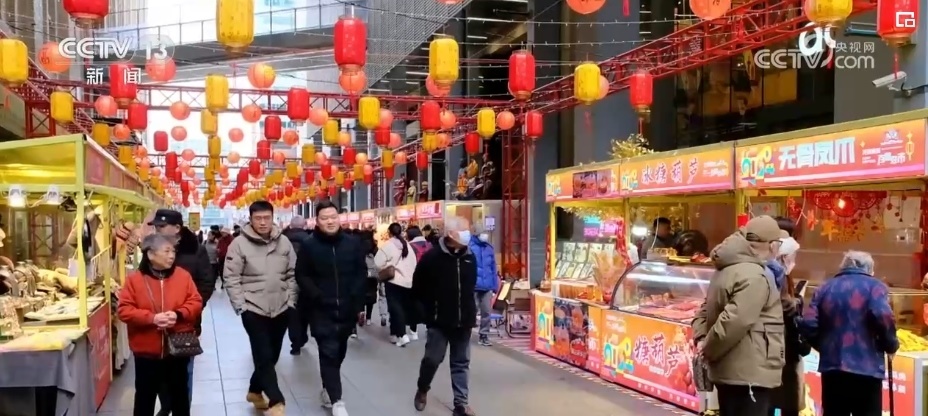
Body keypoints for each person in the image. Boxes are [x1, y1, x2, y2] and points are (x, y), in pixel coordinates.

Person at [691, 215, 785, 416]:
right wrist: (708, 349)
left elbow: (705, 309)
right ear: (772, 245)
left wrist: (701, 338)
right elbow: (735, 321)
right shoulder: (755, 275)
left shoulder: (727, 267)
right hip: (749, 372)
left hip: (732, 370)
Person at [799, 251, 898, 416]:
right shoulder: (875, 287)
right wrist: (890, 345)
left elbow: (809, 323)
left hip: (833, 367)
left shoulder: (825, 288)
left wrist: (824, 346)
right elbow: (883, 316)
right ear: (869, 269)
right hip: (867, 367)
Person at [224, 201, 297, 416]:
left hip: (281, 306)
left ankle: (255, 391)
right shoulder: (238, 244)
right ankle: (276, 400)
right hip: (253, 308)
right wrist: (241, 307)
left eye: (267, 218)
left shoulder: (284, 242)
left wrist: (291, 301)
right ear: (250, 219)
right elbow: (231, 277)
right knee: (263, 353)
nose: (263, 222)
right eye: (258, 218)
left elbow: (293, 273)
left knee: (272, 354)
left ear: (273, 218)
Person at [117, 234, 203, 416]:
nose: (172, 255)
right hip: (146, 352)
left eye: (173, 251)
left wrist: (178, 314)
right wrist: (152, 318)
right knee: (144, 398)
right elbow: (124, 310)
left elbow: (196, 301)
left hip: (177, 349)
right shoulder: (135, 280)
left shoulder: (183, 276)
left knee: (180, 396)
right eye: (166, 251)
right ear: (150, 254)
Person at [296, 200, 367, 416]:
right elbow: (302, 274)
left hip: (346, 308)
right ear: (317, 221)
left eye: (333, 217)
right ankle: (337, 401)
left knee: (339, 352)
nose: (330, 221)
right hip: (320, 310)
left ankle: (328, 386)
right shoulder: (309, 245)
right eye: (325, 218)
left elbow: (361, 272)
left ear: (339, 218)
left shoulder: (352, 244)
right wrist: (316, 295)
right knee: (328, 351)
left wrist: (356, 300)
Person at [148, 209, 214, 415]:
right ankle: (167, 405)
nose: (157, 230)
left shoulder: (195, 250)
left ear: (177, 228)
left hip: (185, 325)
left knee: (184, 372)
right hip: (156, 324)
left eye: (161, 226)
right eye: (155, 226)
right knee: (159, 373)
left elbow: (206, 283)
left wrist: (189, 310)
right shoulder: (151, 250)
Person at [412, 216, 478, 416]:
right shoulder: (432, 258)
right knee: (432, 359)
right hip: (438, 321)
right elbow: (418, 287)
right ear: (450, 234)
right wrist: (427, 313)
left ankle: (461, 404)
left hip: (463, 321)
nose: (468, 234)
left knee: (461, 363)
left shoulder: (470, 257)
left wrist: (471, 312)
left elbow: (470, 287)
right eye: (463, 230)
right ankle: (423, 388)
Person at [768, 219, 807, 416]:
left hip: (775, 347)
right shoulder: (776, 272)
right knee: (784, 399)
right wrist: (796, 303)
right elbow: (783, 305)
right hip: (781, 346)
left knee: (772, 399)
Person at [375, 222, 419, 347]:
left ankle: (402, 335)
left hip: (394, 281)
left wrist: (387, 266)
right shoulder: (407, 245)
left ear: (389, 233)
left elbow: (377, 262)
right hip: (408, 282)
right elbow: (414, 263)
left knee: (395, 308)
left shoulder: (388, 245)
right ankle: (395, 334)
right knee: (402, 308)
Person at [283, 216, 313, 355]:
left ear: (290, 225)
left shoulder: (282, 240)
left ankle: (295, 342)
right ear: (304, 225)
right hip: (306, 281)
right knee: (304, 311)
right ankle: (303, 336)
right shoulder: (310, 240)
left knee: (292, 312)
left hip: (286, 280)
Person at [468, 228, 498, 347]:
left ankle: (484, 335)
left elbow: (493, 268)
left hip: (487, 286)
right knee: (472, 311)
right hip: (473, 285)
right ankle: (466, 333)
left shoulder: (489, 248)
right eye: (483, 233)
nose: (485, 235)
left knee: (486, 312)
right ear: (477, 234)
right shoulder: (469, 247)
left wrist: (494, 286)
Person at [360, 230, 380, 327]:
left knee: (360, 294)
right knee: (371, 295)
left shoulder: (358, 246)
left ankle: (361, 312)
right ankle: (368, 318)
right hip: (372, 275)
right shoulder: (374, 246)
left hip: (362, 274)